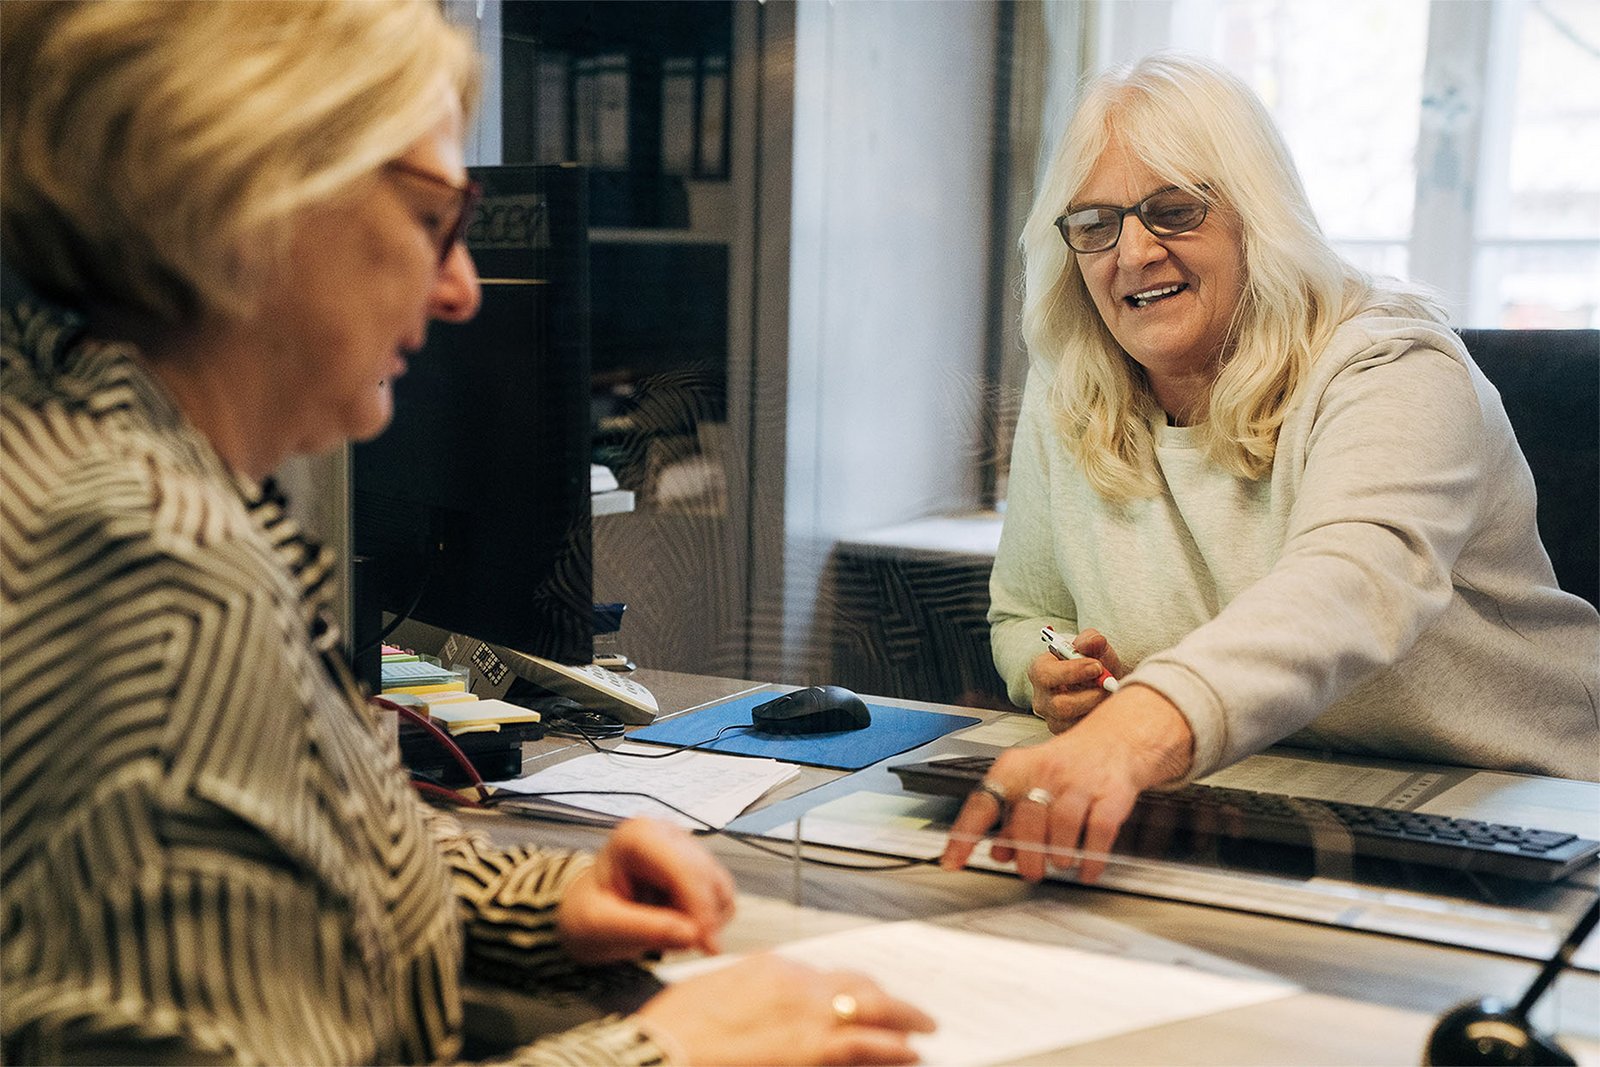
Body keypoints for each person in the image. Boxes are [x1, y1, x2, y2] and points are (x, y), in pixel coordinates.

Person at [0, 3, 933, 1064]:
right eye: (433, 218)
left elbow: (230, 867)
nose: (460, 287)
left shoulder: (79, 454)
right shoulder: (154, 585)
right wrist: (671, 1054)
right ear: (256, 196)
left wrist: (532, 900)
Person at [941, 53, 1600, 885]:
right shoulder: (1075, 384)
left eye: (1173, 210)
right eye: (1095, 223)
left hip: (1520, 823)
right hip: (1255, 807)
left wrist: (1133, 729)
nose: (1133, 253)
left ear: (1259, 216)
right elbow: (1025, 611)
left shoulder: (1396, 366)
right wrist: (1047, 676)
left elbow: (1350, 583)